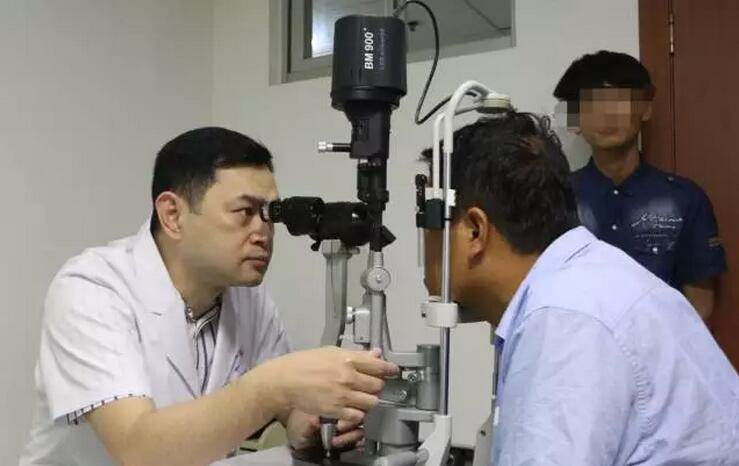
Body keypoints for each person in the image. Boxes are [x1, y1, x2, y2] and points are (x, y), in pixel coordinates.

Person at [20, 127, 398, 466]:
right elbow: (139, 450)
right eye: (244, 212)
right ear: (172, 215)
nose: (263, 233)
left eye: (270, 215)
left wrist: (311, 428)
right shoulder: (92, 289)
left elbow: (287, 410)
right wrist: (272, 385)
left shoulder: (249, 299)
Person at [422, 113, 739, 465]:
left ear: (475, 230)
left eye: (428, 220)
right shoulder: (597, 278)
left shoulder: (564, 320)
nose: (423, 241)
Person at [553, 50, 727, 320]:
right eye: (592, 103)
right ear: (574, 120)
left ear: (645, 108)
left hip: (661, 345)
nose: (608, 114)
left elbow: (700, 306)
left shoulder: (684, 199)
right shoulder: (553, 198)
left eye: (619, 100)